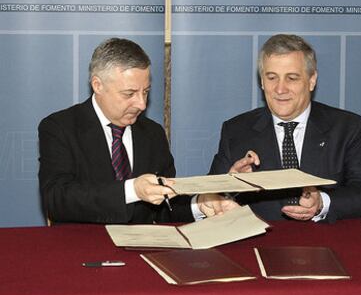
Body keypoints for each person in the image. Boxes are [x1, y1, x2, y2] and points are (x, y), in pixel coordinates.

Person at [39, 37, 236, 224]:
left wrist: (199, 204)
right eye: (130, 93)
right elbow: (57, 199)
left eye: (146, 92)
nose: (141, 104)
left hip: (143, 251)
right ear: (98, 85)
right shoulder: (60, 127)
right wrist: (132, 190)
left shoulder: (152, 133)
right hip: (83, 250)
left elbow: (166, 208)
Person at [209, 34, 361, 222]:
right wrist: (230, 186)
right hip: (259, 243)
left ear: (312, 80)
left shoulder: (347, 128)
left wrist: (322, 203)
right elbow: (209, 199)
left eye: (291, 78)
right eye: (272, 77)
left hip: (325, 243)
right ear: (262, 82)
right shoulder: (236, 131)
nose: (280, 89)